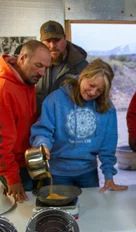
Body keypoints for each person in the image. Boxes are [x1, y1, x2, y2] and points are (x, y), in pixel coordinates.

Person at [30, 58, 128, 192]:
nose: (93, 93)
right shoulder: (55, 100)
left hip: (88, 173)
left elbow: (108, 145)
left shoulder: (107, 108)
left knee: (89, 211)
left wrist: (109, 176)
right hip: (57, 173)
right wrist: (42, 146)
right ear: (83, 76)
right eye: (91, 85)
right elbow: (43, 131)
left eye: (99, 91)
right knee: (60, 211)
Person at [0, 40, 51, 203]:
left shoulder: (26, 82)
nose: (42, 72)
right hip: (13, 168)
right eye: (38, 65)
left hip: (26, 161)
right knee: (23, 214)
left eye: (46, 68)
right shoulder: (2, 90)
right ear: (22, 58)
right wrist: (12, 179)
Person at [36, 20, 88, 116]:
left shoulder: (82, 67)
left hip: (68, 125)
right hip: (39, 124)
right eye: (48, 41)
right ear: (41, 42)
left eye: (56, 40)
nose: (52, 45)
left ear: (65, 38)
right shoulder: (34, 64)